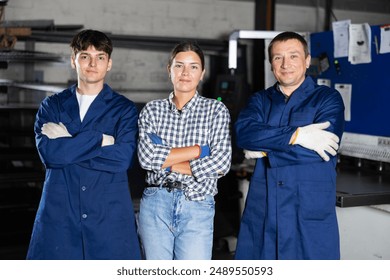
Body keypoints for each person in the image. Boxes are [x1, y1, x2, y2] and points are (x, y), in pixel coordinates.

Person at [26, 29, 141, 260]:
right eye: (84, 56)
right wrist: (101, 140)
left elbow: (121, 158)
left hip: (107, 216)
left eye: (100, 57)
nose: (92, 63)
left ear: (109, 64)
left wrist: (68, 142)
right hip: (60, 215)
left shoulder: (124, 109)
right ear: (73, 60)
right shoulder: (52, 106)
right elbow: (50, 154)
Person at [234, 31, 345, 260]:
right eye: (278, 57)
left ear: (306, 60)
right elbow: (243, 133)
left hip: (307, 211)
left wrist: (265, 149)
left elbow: (322, 151)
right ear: (271, 63)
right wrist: (296, 135)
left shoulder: (327, 99)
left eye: (293, 56)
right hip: (264, 210)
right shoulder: (259, 100)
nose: (285, 64)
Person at [137, 41, 232, 260]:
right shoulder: (152, 110)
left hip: (197, 203)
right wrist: (200, 150)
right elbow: (146, 158)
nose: (185, 73)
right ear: (169, 69)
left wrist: (167, 160)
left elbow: (221, 163)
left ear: (203, 73)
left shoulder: (215, 110)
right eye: (179, 66)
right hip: (155, 203)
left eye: (193, 67)